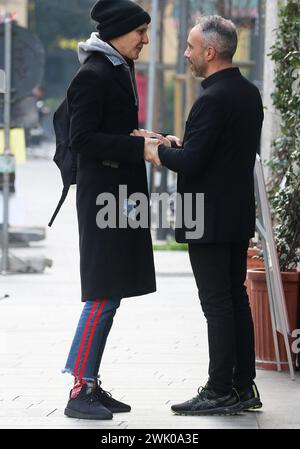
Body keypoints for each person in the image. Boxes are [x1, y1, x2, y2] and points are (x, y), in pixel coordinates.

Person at [140, 15, 264, 415]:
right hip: (234, 215)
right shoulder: (246, 92)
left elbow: (192, 163)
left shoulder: (212, 98)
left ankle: (218, 389)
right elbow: (218, 152)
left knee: (217, 303)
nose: (187, 55)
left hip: (207, 218)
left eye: (191, 48)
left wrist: (154, 151)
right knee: (235, 299)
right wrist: (179, 142)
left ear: (210, 52)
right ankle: (244, 388)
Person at [62, 0, 161, 421]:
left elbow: (108, 131)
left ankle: (91, 382)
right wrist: (137, 146)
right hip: (104, 197)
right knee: (102, 292)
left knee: (113, 289)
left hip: (120, 195)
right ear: (118, 31)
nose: (145, 39)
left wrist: (141, 136)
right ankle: (79, 390)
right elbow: (82, 138)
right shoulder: (94, 74)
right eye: (140, 30)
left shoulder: (115, 68)